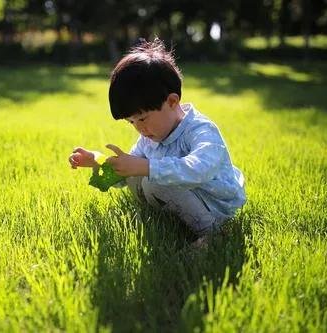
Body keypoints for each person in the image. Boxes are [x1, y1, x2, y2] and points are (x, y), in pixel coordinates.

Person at [68, 38, 246, 241]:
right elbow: (127, 171)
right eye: (131, 122)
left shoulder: (200, 130)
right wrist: (97, 160)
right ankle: (167, 219)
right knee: (136, 173)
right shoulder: (150, 136)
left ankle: (213, 233)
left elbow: (200, 169)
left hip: (216, 203)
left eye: (142, 118)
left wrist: (148, 168)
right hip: (186, 197)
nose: (140, 128)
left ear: (171, 101)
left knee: (154, 179)